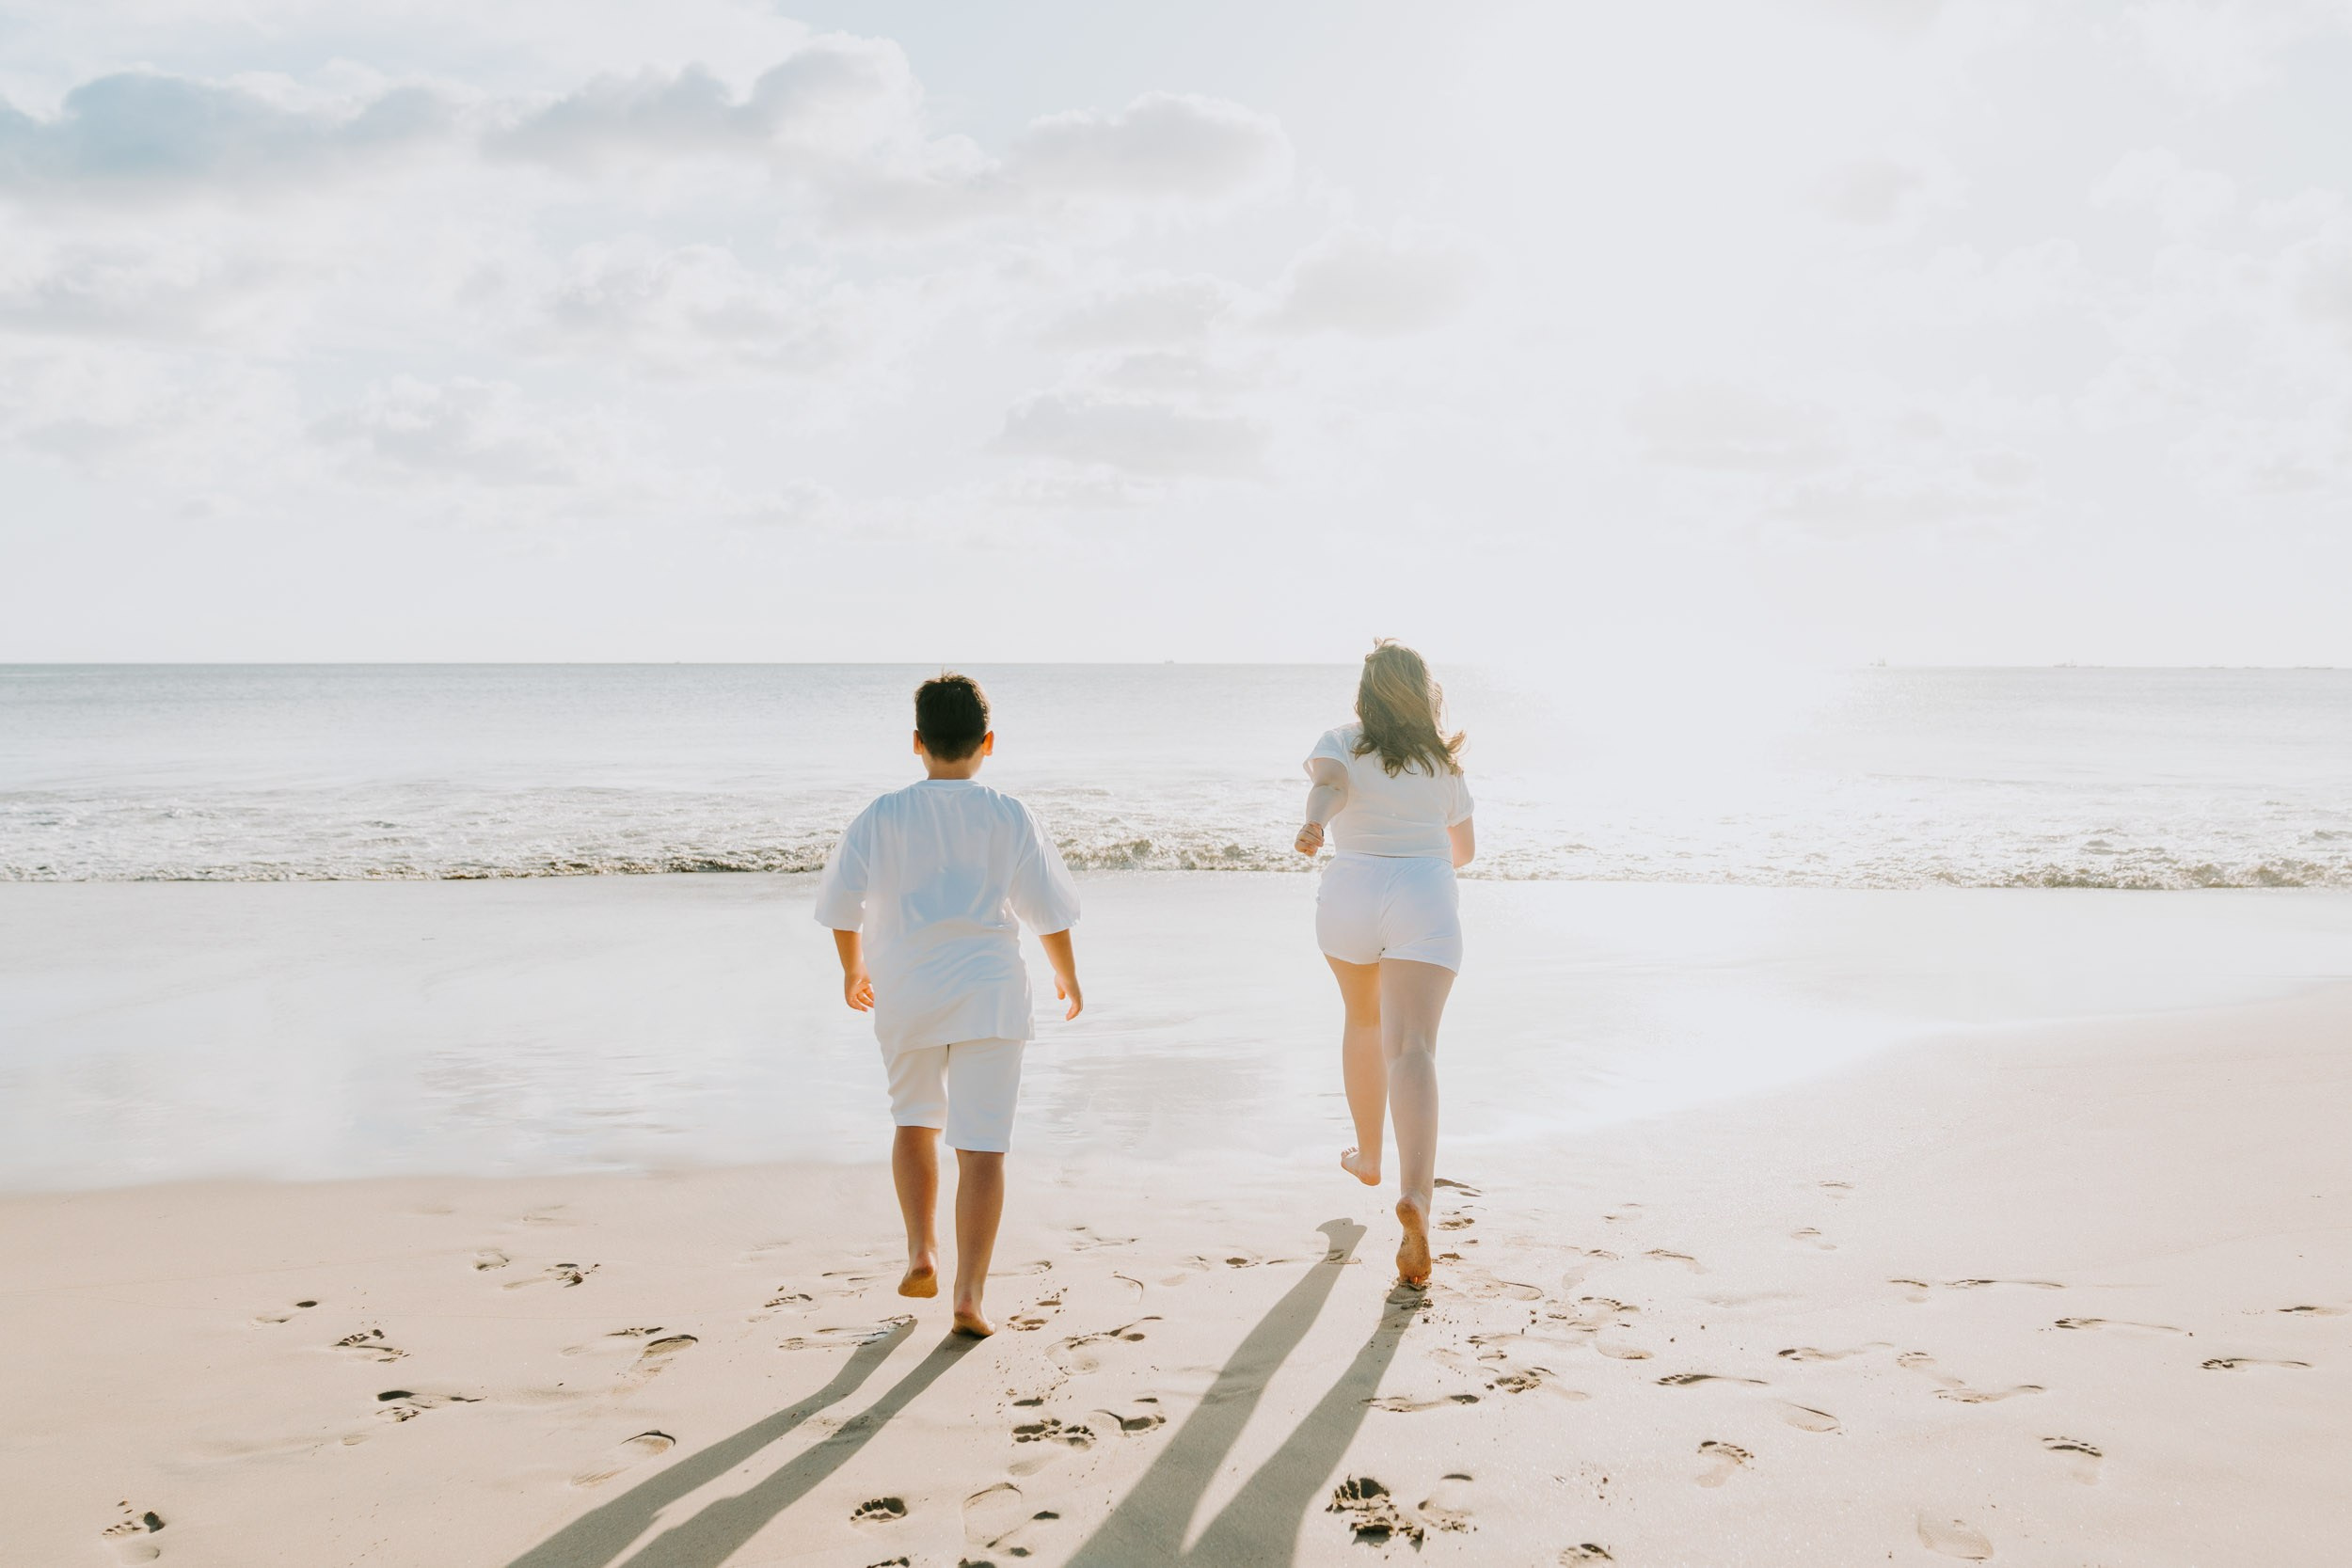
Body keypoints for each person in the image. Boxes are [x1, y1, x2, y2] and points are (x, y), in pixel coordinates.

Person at [816, 673, 1084, 1338]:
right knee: (984, 1147)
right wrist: (1067, 976)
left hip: (907, 990)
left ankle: (921, 1250)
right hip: (990, 992)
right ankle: (969, 1295)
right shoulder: (1009, 813)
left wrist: (854, 968)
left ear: (917, 742)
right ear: (987, 742)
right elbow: (1046, 909)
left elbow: (841, 904)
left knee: (914, 1121)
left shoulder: (882, 814)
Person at [1294, 641, 1475, 1286]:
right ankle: (1416, 1195)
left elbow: (1330, 787)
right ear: (1423, 694)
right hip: (1422, 892)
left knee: (1363, 1020)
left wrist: (1316, 824)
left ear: (1365, 695)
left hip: (1351, 892)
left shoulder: (1344, 740)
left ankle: (1368, 1155)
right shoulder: (1441, 761)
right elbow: (1466, 851)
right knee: (1413, 1047)